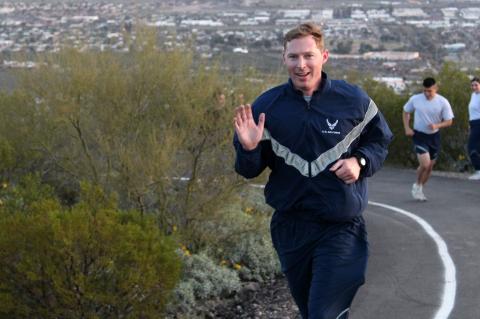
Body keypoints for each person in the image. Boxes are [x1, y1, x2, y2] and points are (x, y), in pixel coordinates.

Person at [233, 22, 392, 319]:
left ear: (324, 56)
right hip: (290, 228)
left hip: (340, 227)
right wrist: (250, 149)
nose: (301, 64)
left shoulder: (352, 100)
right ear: (284, 59)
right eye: (293, 57)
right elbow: (248, 170)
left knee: (324, 314)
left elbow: (380, 140)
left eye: (308, 55)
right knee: (311, 312)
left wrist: (359, 162)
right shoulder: (267, 107)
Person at [402, 77, 454, 201]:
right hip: (419, 135)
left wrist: (437, 125)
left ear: (436, 88)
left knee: (429, 167)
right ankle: (417, 185)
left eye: (429, 91)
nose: (427, 93)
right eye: (425, 90)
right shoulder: (415, 99)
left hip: (434, 136)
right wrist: (407, 128)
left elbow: (449, 121)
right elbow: (405, 111)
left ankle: (419, 186)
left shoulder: (443, 102)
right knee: (425, 164)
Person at [467, 77, 480, 180]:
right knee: (478, 148)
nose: (474, 87)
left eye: (476, 85)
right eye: (472, 85)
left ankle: (479, 170)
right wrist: (470, 124)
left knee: (471, 147)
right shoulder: (473, 95)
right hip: (473, 123)